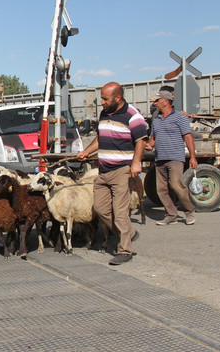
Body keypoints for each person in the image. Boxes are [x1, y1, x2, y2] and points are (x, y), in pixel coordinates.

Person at [77, 82, 148, 265]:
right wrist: (87, 151)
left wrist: (136, 163)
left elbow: (141, 140)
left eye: (105, 98)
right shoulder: (104, 113)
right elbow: (100, 138)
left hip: (122, 171)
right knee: (101, 209)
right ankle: (128, 233)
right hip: (103, 171)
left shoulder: (132, 115)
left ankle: (125, 250)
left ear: (118, 98)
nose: (102, 102)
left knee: (120, 211)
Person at [145, 90, 197, 226]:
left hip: (175, 157)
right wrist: (148, 146)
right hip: (159, 158)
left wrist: (193, 157)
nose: (155, 103)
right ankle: (171, 215)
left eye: (157, 101)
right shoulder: (156, 120)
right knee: (161, 190)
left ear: (165, 101)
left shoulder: (180, 117)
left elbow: (188, 137)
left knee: (176, 186)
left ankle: (189, 211)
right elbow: (153, 139)